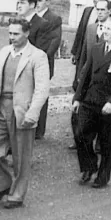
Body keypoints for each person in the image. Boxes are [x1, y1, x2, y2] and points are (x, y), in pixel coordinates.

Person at [72, 16, 111, 188]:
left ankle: (103, 176)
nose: (104, 31)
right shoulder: (96, 49)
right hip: (90, 100)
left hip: (109, 105)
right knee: (80, 134)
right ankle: (89, 166)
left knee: (108, 143)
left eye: (108, 28)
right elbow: (85, 75)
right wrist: (77, 98)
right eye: (103, 28)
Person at [0, 18, 50, 209]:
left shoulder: (37, 56)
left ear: (27, 33)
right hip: (1, 108)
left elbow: (42, 88)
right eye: (10, 33)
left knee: (21, 158)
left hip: (22, 112)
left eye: (16, 33)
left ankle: (17, 195)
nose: (11, 37)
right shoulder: (4, 52)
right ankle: (4, 184)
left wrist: (33, 112)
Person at [34, 0, 62, 140]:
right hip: (27, 62)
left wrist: (42, 59)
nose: (37, 3)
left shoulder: (54, 18)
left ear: (47, 2)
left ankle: (39, 130)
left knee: (41, 95)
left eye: (40, 0)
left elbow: (55, 41)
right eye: (35, 0)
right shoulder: (30, 16)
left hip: (43, 63)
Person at [71, 0, 107, 89]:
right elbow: (80, 31)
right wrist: (74, 51)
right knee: (78, 80)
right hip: (83, 50)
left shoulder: (109, 14)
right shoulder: (88, 10)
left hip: (95, 52)